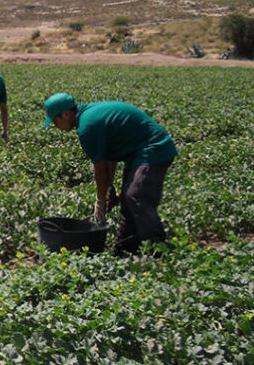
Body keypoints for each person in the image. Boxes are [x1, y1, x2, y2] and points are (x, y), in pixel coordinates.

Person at [42, 93, 178, 255]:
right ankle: (125, 249)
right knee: (127, 200)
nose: (56, 126)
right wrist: (109, 190)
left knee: (136, 196)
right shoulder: (88, 116)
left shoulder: (87, 127)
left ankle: (159, 248)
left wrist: (100, 201)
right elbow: (108, 159)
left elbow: (100, 169)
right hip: (137, 154)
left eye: (55, 121)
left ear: (65, 114)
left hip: (154, 149)